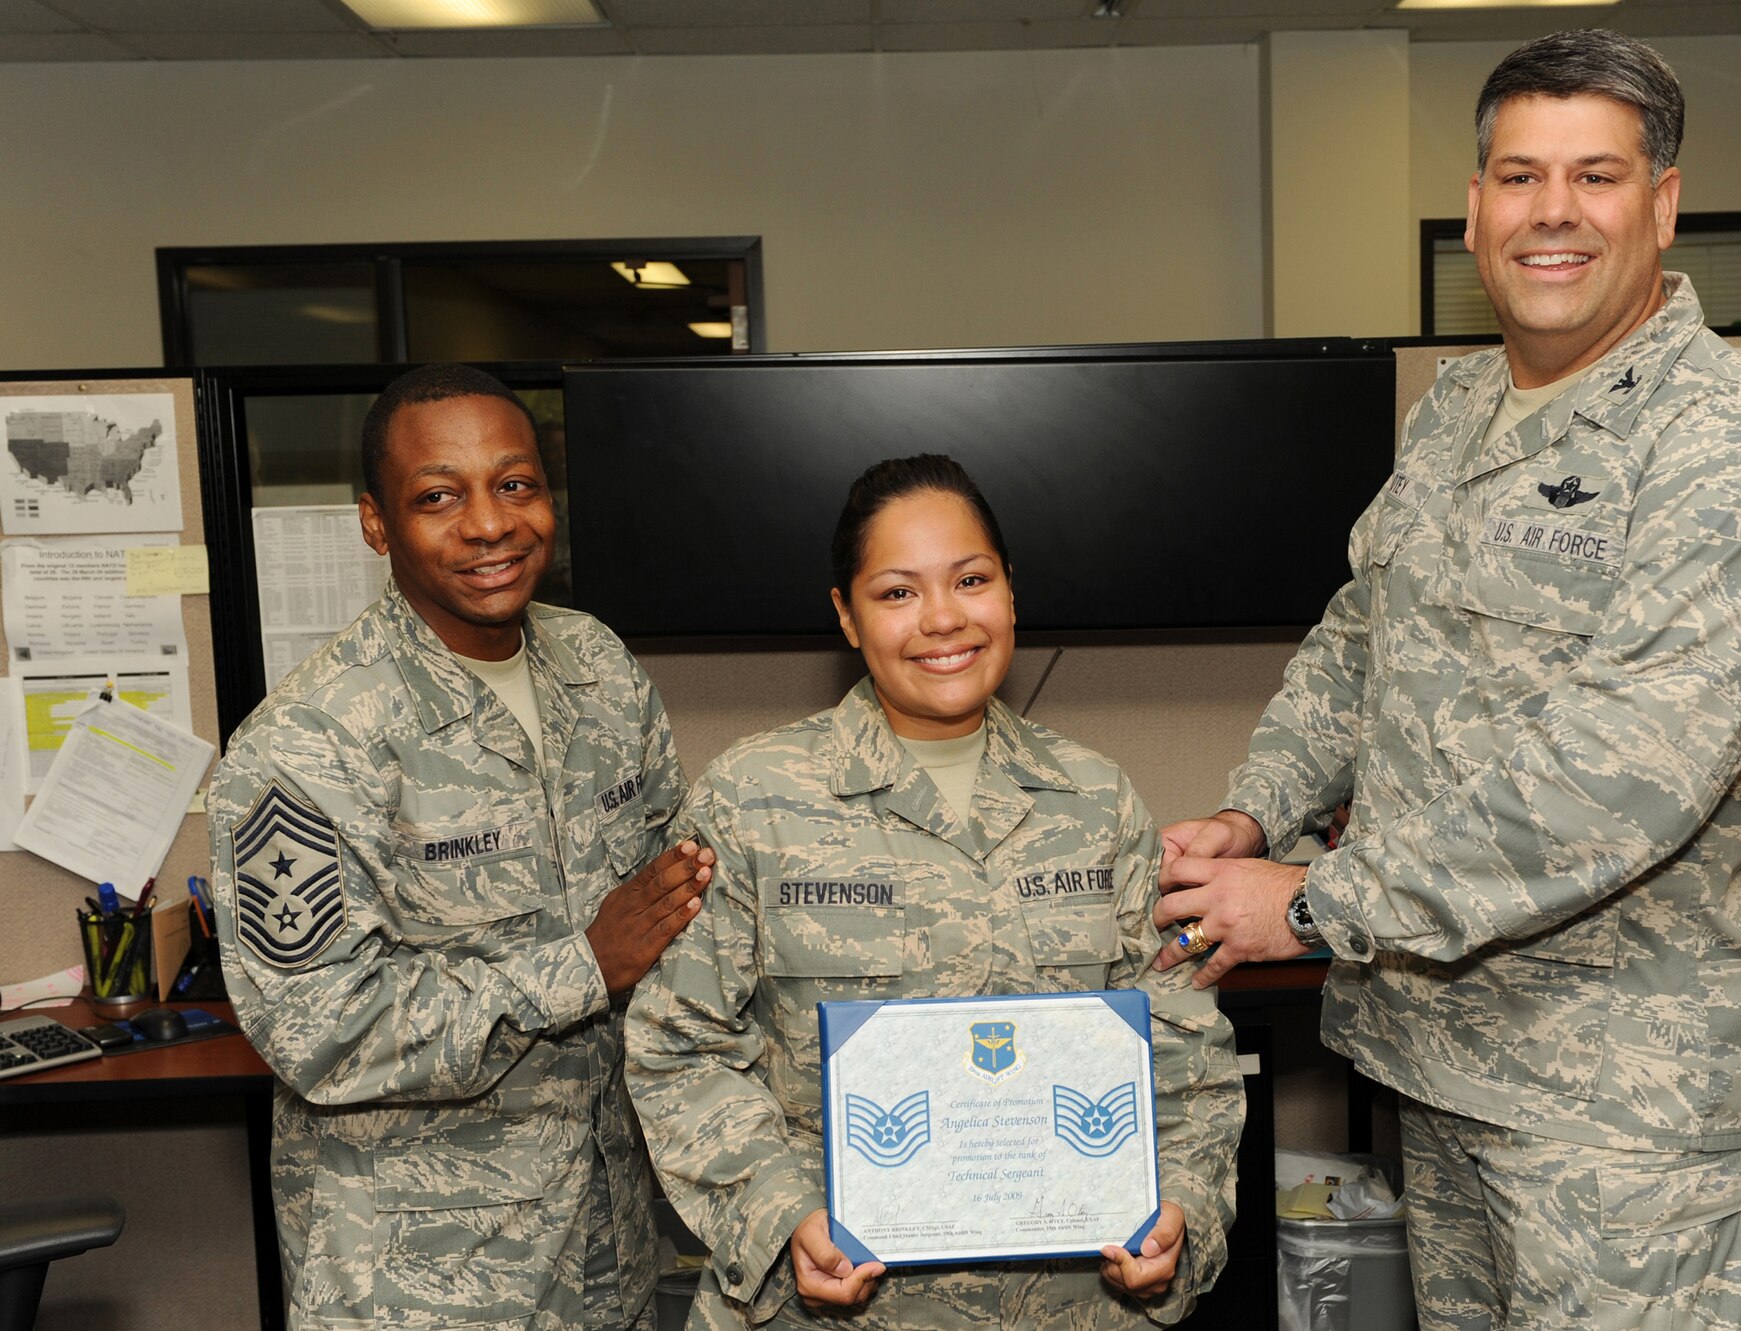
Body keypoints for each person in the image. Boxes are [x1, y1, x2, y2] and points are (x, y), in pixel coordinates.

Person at [1151, 30, 1741, 1330]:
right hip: (1442, 1059)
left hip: (1620, 1118)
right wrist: (1261, 807)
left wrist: (1306, 902)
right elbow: (1366, 632)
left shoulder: (1732, 453)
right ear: (1475, 208)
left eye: (1597, 174)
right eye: (1521, 175)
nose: (1554, 212)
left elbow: (1613, 784)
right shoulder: (1459, 411)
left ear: (1663, 202)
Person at [623, 454, 1244, 1329]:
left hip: (1072, 1306)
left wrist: (1184, 1207)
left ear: (1011, 592)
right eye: (898, 592)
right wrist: (781, 1217)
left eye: (971, 579)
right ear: (846, 615)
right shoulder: (751, 799)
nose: (944, 618)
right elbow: (678, 1045)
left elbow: (1184, 1039)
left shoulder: (1097, 800)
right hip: (832, 1309)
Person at [209, 363, 713, 1331]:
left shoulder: (596, 667)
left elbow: (668, 905)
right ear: (374, 522)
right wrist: (579, 966)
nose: (489, 523)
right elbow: (320, 1030)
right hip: (422, 1277)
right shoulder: (308, 743)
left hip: (608, 1237)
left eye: (515, 483)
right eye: (437, 496)